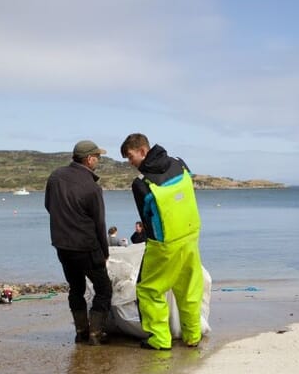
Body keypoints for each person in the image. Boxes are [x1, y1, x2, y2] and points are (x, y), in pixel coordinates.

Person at [120, 133, 203, 350]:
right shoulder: (179, 163)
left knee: (148, 290)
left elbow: (146, 219)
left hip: (165, 243)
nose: (130, 163)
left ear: (143, 151)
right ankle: (193, 335)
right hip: (191, 234)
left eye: (130, 157)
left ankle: (160, 339)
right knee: (189, 287)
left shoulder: (141, 183)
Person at [45, 140, 113, 345]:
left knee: (76, 288)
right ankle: (96, 333)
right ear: (89, 159)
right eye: (98, 157)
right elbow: (99, 223)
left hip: (62, 245)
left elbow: (49, 205)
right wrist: (105, 251)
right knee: (104, 289)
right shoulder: (92, 187)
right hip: (86, 246)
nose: (98, 160)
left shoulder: (56, 176)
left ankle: (81, 331)